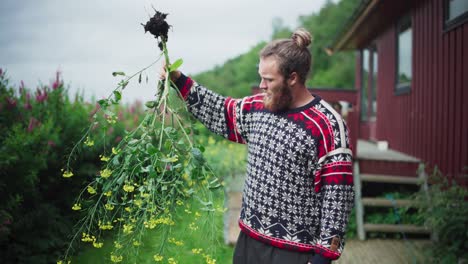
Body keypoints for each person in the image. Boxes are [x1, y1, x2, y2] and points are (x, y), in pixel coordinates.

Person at [162, 28, 354, 264]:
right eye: (260, 76)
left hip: (294, 253)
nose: (261, 85)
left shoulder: (328, 124)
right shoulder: (257, 108)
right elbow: (220, 110)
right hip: (249, 241)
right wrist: (179, 80)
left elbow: (338, 196)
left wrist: (324, 256)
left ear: (293, 78)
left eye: (269, 79)